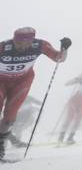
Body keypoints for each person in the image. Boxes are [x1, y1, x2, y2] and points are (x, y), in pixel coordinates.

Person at [0, 28, 69, 159]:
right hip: (1, 81)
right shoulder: (4, 47)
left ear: (31, 41)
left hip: (22, 81)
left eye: (22, 43)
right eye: (16, 42)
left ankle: (0, 143)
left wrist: (65, 49)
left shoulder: (40, 45)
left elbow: (59, 58)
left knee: (10, 116)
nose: (19, 46)